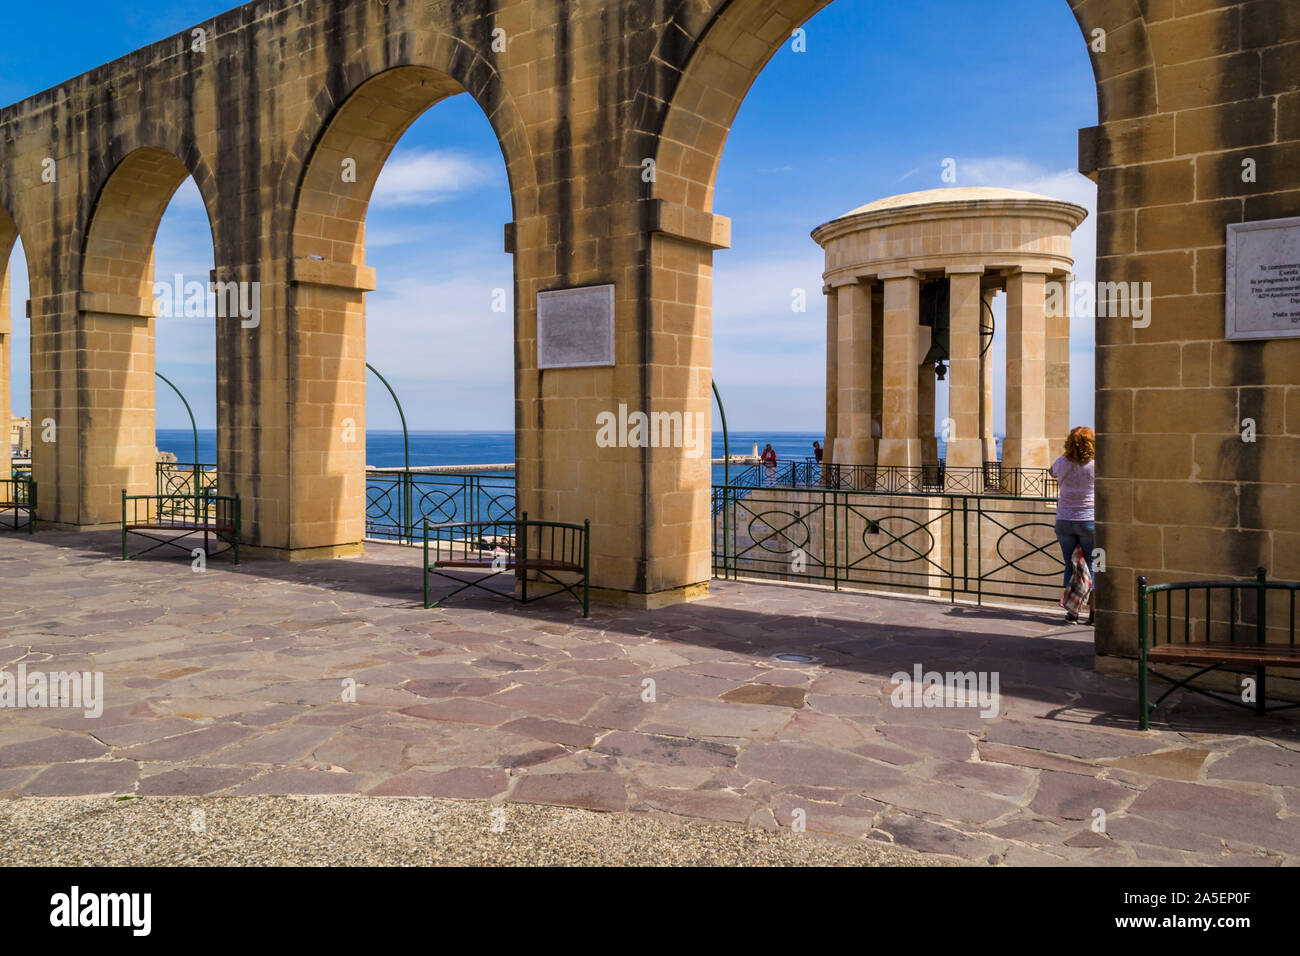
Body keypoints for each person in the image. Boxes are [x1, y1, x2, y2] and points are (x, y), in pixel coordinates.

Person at [1051, 426, 1095, 625]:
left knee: (1070, 565)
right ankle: (1095, 613)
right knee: (1097, 565)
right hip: (1090, 522)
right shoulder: (1096, 464)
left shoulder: (1062, 462)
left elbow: (1051, 472)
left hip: (1064, 521)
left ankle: (1072, 612)